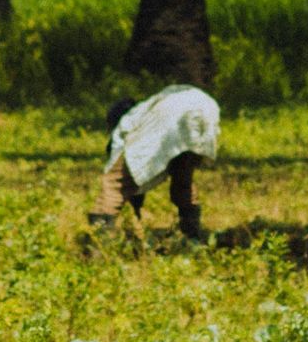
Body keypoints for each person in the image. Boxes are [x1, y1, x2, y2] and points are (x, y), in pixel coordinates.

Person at [86, 84, 220, 243]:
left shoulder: (128, 123)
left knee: (115, 183)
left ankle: (101, 245)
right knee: (182, 178)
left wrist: (134, 212)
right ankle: (193, 237)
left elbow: (127, 172)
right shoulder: (146, 110)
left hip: (175, 110)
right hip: (206, 108)